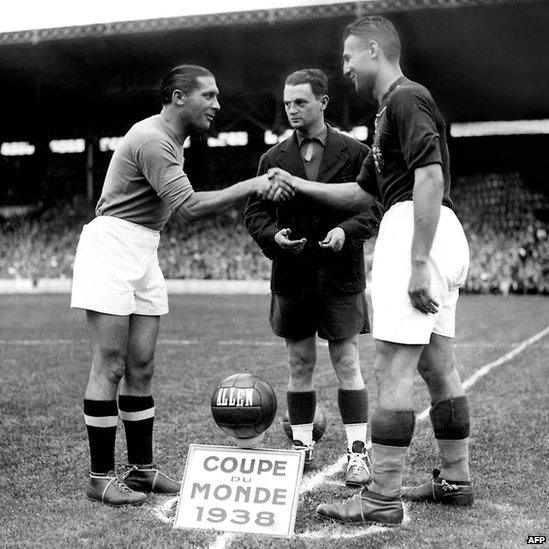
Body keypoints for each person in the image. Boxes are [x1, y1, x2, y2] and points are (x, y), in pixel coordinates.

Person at [270, 16, 473, 526]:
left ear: (375, 51)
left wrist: (418, 260)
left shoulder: (406, 98)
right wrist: (297, 183)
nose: (344, 69)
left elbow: (430, 174)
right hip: (432, 226)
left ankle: (380, 497)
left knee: (391, 368)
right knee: (437, 365)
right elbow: (360, 195)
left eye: (348, 57)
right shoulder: (386, 114)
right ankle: (455, 480)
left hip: (416, 228)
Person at [70, 64, 293, 506]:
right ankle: (100, 477)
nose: (217, 105)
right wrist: (254, 185)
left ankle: (140, 471)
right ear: (177, 97)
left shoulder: (173, 140)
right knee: (110, 365)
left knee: (142, 367)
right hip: (112, 245)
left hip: (143, 247)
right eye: (208, 96)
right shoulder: (153, 139)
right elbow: (188, 208)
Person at [244, 69, 379, 486]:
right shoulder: (272, 159)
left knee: (347, 361)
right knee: (299, 362)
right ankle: (300, 449)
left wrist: (345, 232)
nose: (292, 110)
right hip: (293, 276)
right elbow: (255, 214)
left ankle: (358, 453)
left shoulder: (355, 152)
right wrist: (274, 237)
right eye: (287, 103)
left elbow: (372, 210)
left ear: (323, 102)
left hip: (340, 275)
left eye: (300, 102)